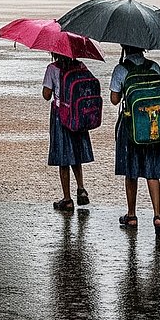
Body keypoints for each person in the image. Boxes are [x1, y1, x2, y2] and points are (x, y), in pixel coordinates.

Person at [111, 45, 160, 238]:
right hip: (154, 126)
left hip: (131, 126)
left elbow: (114, 99)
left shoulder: (121, 69)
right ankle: (157, 215)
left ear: (124, 46)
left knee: (131, 171)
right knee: (152, 172)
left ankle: (131, 215)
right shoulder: (154, 67)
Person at [42, 53, 94, 211]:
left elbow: (46, 95)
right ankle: (81, 188)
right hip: (78, 114)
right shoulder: (81, 66)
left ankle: (67, 199)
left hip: (61, 115)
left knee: (62, 157)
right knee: (76, 153)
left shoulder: (52, 68)